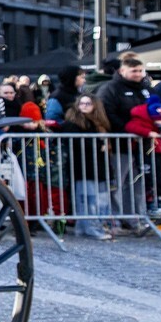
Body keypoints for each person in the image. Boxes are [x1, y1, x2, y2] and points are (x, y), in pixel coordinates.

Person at [58, 93, 116, 240]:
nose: (84, 106)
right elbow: (79, 143)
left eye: (88, 103)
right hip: (84, 167)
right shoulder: (72, 123)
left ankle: (97, 227)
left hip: (100, 167)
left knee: (101, 200)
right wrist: (99, 145)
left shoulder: (99, 124)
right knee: (88, 200)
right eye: (81, 103)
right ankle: (90, 228)